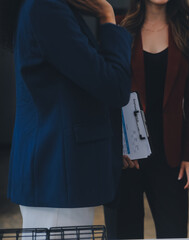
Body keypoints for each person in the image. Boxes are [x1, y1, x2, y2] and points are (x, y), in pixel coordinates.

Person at [2, 0, 133, 228]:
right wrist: (107, 17)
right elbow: (114, 86)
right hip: (57, 175)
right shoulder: (47, 8)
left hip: (55, 173)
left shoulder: (39, 7)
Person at [103, 0, 189, 239]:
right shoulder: (119, 27)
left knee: (174, 232)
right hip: (126, 156)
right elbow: (106, 94)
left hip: (170, 157)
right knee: (123, 233)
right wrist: (115, 146)